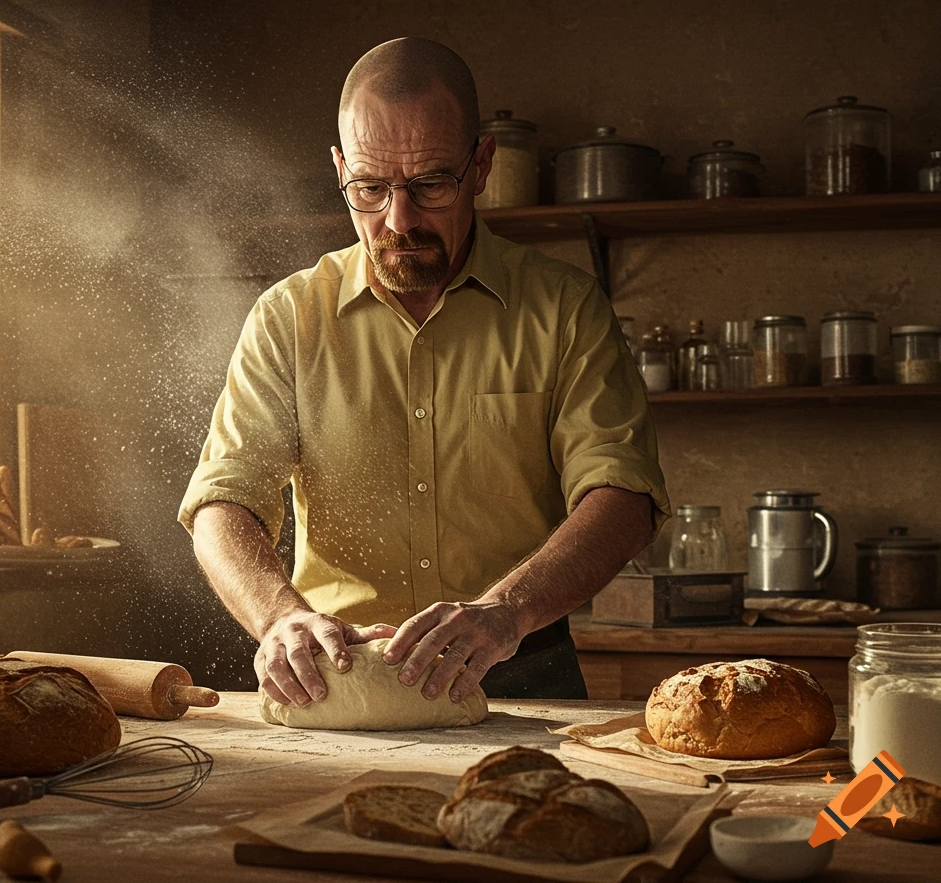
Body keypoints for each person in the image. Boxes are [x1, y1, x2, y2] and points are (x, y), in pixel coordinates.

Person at [179, 37, 668, 708]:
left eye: (432, 183)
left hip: (521, 671)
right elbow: (222, 503)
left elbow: (624, 496)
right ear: (339, 168)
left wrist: (505, 612)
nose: (399, 219)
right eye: (369, 189)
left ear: (483, 163)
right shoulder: (288, 317)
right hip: (334, 679)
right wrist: (277, 616)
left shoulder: (564, 308)